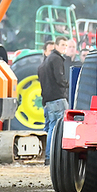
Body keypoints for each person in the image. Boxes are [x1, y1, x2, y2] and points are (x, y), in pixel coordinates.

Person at [39, 36, 68, 165]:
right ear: (56, 46)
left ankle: (48, 156)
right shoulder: (56, 59)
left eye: (66, 46)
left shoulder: (43, 64)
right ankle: (53, 157)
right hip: (57, 98)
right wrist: (68, 84)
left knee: (50, 127)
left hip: (47, 100)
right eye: (62, 45)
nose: (64, 48)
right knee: (58, 128)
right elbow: (59, 79)